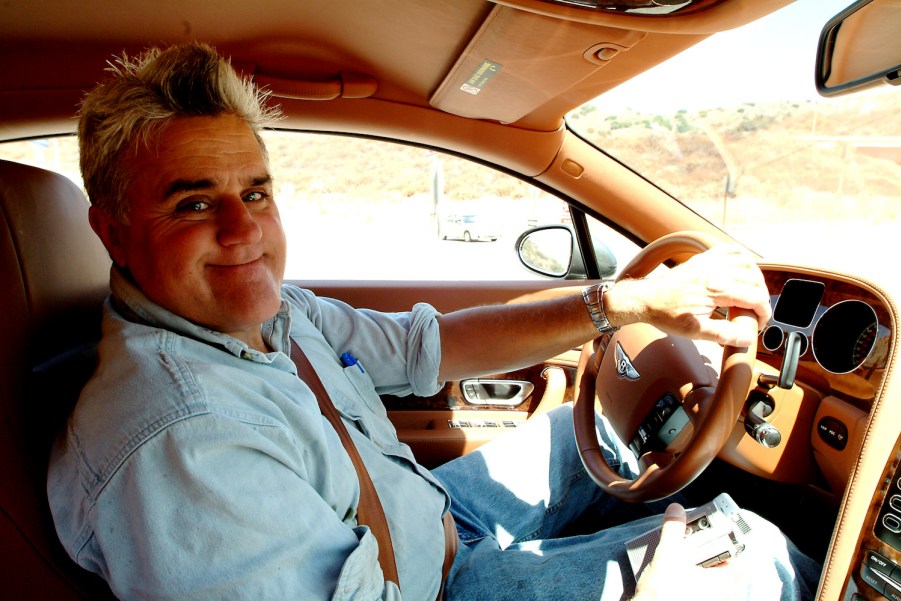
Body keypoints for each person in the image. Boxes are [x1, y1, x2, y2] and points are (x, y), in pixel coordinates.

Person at [47, 42, 819, 600]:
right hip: (438, 586)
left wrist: (629, 303)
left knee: (604, 433)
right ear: (113, 231)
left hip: (433, 520)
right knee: (744, 560)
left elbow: (431, 344)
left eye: (254, 191)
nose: (243, 227)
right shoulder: (179, 443)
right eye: (192, 202)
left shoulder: (271, 315)